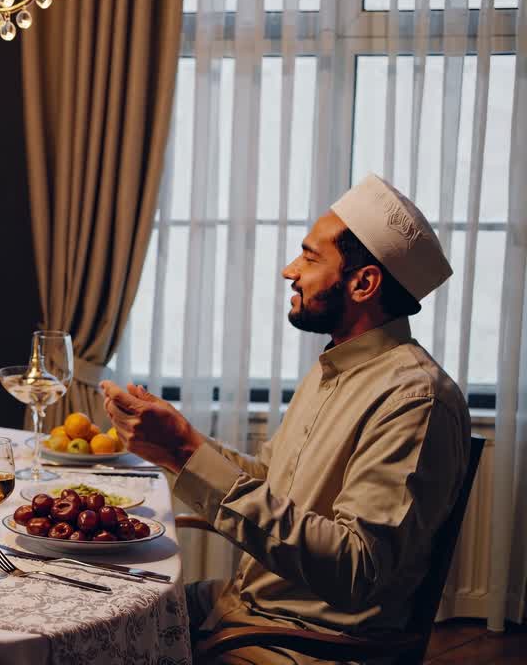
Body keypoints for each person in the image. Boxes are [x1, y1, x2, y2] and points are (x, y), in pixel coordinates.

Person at [101, 174, 470, 665]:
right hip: (243, 606)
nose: (289, 270)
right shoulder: (335, 364)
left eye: (310, 257)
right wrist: (177, 447)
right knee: (103, 602)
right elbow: (270, 484)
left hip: (301, 642)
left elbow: (356, 570)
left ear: (363, 283)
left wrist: (188, 452)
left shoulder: (417, 399)